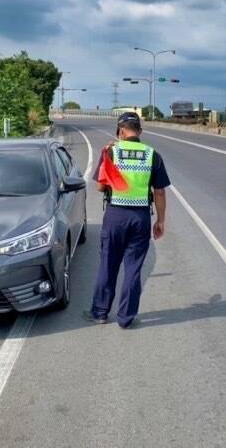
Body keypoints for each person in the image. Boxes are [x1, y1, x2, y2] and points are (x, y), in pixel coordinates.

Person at [83, 111, 170, 329]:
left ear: (120, 131)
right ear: (139, 131)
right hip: (140, 217)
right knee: (133, 269)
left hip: (115, 216)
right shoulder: (153, 155)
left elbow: (100, 186)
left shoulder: (111, 152)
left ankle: (100, 313)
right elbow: (159, 192)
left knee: (108, 265)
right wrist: (160, 221)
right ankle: (126, 318)